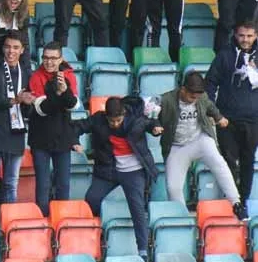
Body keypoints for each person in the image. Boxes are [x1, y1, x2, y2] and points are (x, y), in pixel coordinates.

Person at [73, 97, 162, 259]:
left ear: (124, 114)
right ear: (106, 116)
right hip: (108, 170)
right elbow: (78, 126)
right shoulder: (98, 120)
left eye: (118, 120)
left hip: (134, 171)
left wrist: (155, 128)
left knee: (137, 209)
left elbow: (150, 123)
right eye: (111, 121)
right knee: (92, 199)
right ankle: (94, 236)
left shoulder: (135, 120)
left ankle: (142, 250)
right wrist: (74, 141)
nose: (115, 124)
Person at [159, 72, 246, 218]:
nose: (195, 100)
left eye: (197, 97)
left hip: (200, 139)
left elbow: (210, 106)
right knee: (173, 187)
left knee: (219, 163)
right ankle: (181, 218)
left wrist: (219, 117)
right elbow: (152, 116)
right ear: (183, 89)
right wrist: (155, 127)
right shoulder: (166, 100)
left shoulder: (202, 97)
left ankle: (236, 203)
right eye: (192, 96)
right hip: (177, 146)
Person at [205, 21, 258, 202]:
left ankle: (243, 201)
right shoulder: (224, 55)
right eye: (242, 35)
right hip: (227, 119)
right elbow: (210, 83)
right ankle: (232, 199)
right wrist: (213, 111)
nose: (245, 39)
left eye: (249, 36)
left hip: (253, 119)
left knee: (248, 161)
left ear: (256, 36)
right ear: (235, 35)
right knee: (228, 159)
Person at [0, 32, 33, 212]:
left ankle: (9, 221)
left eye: (15, 47)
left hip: (16, 132)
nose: (11, 51)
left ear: (22, 50)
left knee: (12, 182)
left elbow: (28, 108)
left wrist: (28, 103)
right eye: (8, 47)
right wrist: (12, 100)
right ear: (3, 48)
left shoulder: (26, 73)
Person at [27, 41, 79, 216]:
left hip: (63, 137)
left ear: (61, 59)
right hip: (40, 137)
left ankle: (62, 220)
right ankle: (42, 219)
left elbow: (73, 105)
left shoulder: (69, 75)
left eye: (53, 58)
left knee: (63, 184)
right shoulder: (36, 76)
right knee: (43, 184)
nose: (49, 62)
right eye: (45, 58)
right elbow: (42, 109)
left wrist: (65, 92)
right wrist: (60, 95)